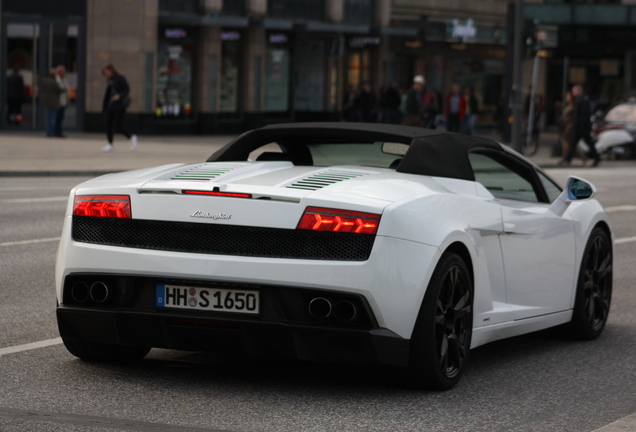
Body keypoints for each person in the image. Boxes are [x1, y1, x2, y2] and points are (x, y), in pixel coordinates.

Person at [561, 84, 601, 167]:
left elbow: (583, 115)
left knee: (588, 143)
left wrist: (580, 127)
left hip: (582, 127)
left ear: (579, 91)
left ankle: (597, 158)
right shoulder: (580, 100)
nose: (573, 93)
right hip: (579, 127)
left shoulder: (583, 100)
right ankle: (567, 160)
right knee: (573, 143)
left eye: (574, 91)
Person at [101, 64, 137, 152]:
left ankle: (131, 137)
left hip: (120, 106)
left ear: (111, 70)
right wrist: (104, 107)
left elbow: (127, 89)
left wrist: (119, 96)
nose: (107, 75)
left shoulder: (120, 78)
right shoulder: (110, 80)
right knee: (108, 124)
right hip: (111, 106)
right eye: (105, 73)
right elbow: (107, 94)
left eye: (107, 72)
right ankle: (110, 144)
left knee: (118, 126)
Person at [558, 91, 586, 165]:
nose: (567, 98)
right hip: (566, 125)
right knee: (570, 144)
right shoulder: (568, 105)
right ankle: (568, 158)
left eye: (568, 96)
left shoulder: (574, 105)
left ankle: (565, 158)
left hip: (570, 126)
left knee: (567, 143)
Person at [42, 68, 63, 137]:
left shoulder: (45, 81)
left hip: (48, 102)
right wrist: (58, 79)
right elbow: (61, 89)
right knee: (52, 119)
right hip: (53, 103)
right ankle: (50, 133)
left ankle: (49, 132)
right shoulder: (53, 82)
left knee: (49, 118)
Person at [54, 65, 70, 137]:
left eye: (63, 71)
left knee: (60, 118)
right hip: (57, 102)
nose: (62, 73)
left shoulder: (64, 79)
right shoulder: (56, 79)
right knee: (56, 118)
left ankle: (59, 132)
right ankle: (55, 132)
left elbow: (67, 90)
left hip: (63, 102)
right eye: (60, 71)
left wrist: (67, 101)